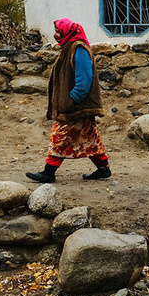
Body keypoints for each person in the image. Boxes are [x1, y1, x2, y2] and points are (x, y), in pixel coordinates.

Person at [26, 18, 111, 183]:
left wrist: (72, 100)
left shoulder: (79, 49)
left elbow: (84, 80)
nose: (55, 35)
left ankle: (48, 172)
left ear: (67, 32)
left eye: (58, 31)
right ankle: (103, 168)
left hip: (77, 106)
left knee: (59, 135)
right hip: (76, 105)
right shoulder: (69, 48)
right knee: (89, 137)